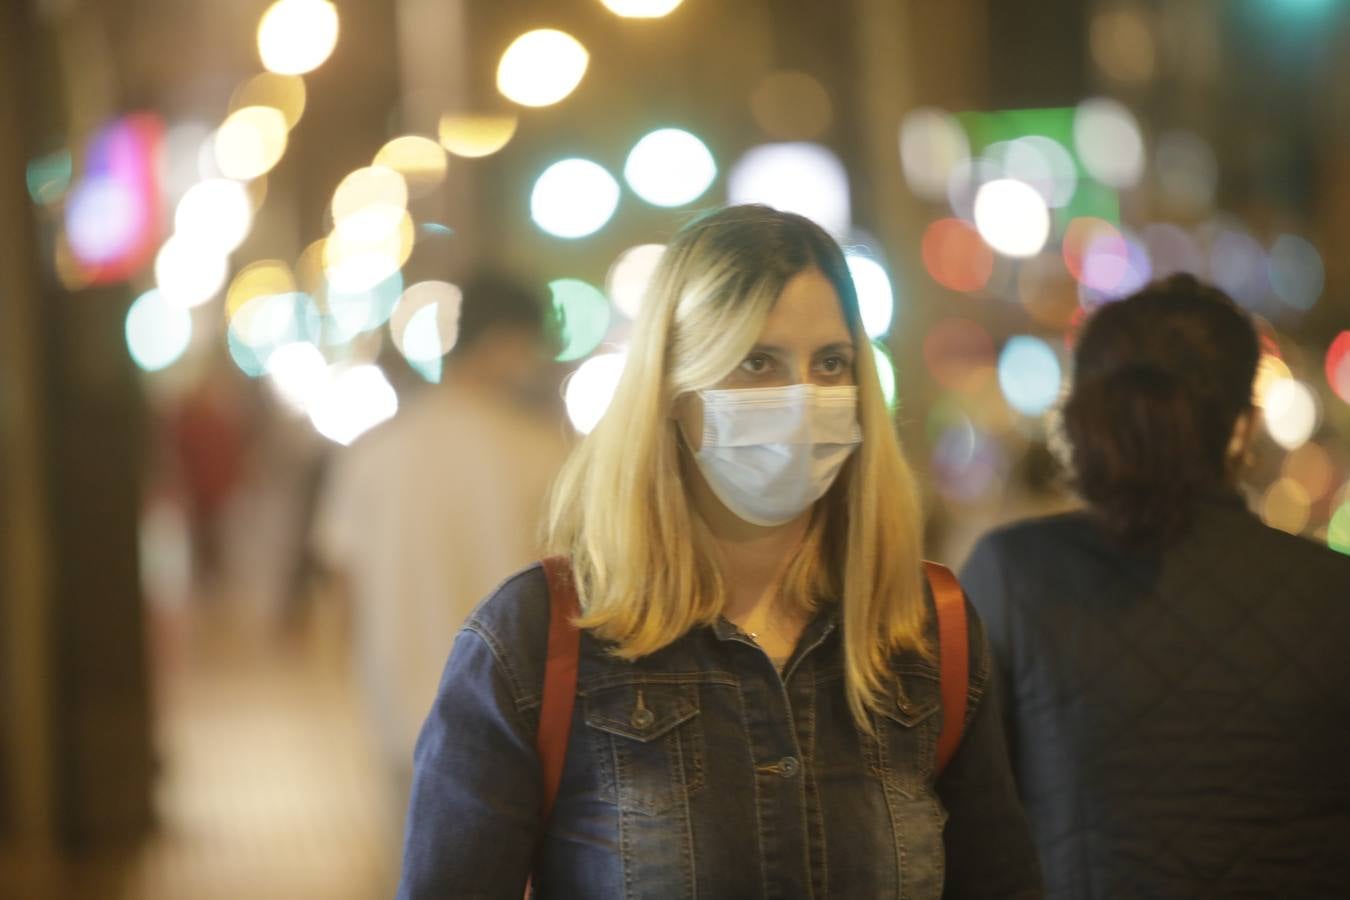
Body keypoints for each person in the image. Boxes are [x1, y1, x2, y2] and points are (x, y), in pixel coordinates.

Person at [399, 205, 1041, 898]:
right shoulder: (535, 642)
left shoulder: (924, 632)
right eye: (757, 362)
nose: (802, 398)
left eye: (831, 363)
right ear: (673, 391)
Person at [960, 274, 1350, 897]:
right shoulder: (1334, 597)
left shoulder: (1009, 578)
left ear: (1084, 422)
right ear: (1242, 430)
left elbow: (967, 829)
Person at [313, 270, 570, 836]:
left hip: (397, 711)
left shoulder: (375, 451)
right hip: (515, 719)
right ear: (507, 341)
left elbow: (342, 586)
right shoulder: (543, 454)